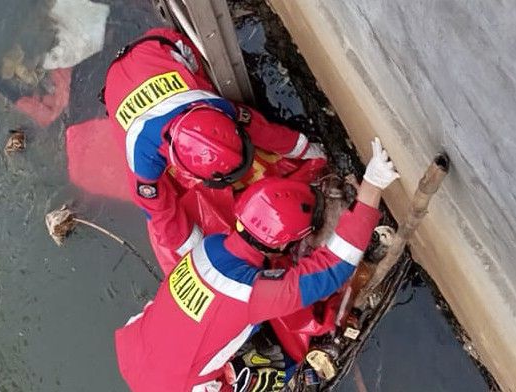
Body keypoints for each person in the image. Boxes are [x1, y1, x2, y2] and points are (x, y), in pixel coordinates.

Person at [114, 138, 399, 392]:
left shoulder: (207, 249)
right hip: (182, 387)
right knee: (274, 371)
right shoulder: (251, 295)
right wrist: (371, 186)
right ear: (281, 245)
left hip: (138, 355)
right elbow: (335, 267)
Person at [103, 28, 326, 261]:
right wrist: (194, 247)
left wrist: (299, 146)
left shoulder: (213, 105)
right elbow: (158, 210)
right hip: (118, 87)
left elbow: (255, 125)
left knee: (200, 74)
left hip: (164, 45)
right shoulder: (142, 157)